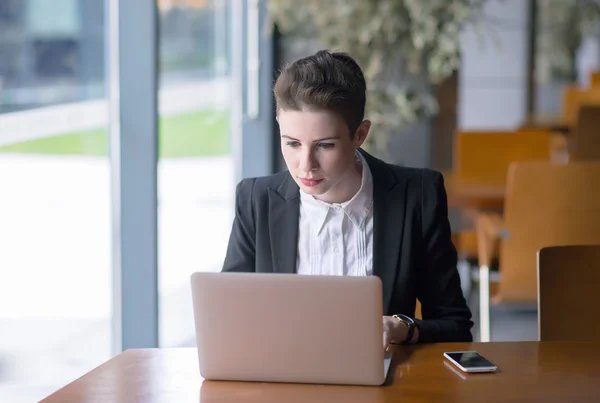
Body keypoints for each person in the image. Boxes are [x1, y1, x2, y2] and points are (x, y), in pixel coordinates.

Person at [222, 49, 473, 346]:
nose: (305, 164)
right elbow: (228, 319)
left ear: (360, 134)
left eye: (325, 145)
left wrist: (402, 327)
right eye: (291, 143)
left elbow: (455, 326)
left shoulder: (417, 196)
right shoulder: (255, 200)